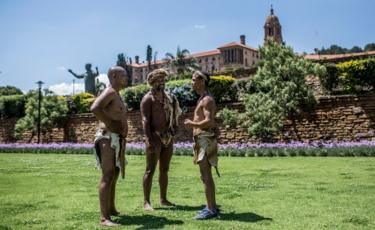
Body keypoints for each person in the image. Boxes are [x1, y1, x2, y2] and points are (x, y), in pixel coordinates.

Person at [90, 66, 128, 226]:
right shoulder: (110, 91)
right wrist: (111, 123)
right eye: (123, 75)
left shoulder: (116, 93)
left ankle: (111, 209)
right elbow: (95, 107)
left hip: (115, 138)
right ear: (113, 76)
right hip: (107, 137)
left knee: (115, 173)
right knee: (108, 174)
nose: (126, 77)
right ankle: (104, 218)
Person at [140, 68, 182, 211]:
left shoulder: (169, 98)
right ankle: (146, 202)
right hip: (154, 137)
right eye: (159, 80)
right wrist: (149, 139)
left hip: (168, 137)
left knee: (164, 169)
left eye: (163, 80)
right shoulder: (148, 99)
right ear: (152, 82)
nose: (162, 82)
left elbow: (174, 114)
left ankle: (163, 199)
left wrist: (174, 128)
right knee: (150, 170)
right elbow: (145, 120)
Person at [184, 71, 220, 220]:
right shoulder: (202, 99)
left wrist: (192, 124)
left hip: (205, 139)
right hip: (202, 139)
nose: (192, 82)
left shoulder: (207, 100)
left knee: (206, 175)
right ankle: (211, 206)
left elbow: (209, 121)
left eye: (194, 80)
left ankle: (211, 209)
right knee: (205, 176)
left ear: (202, 81)